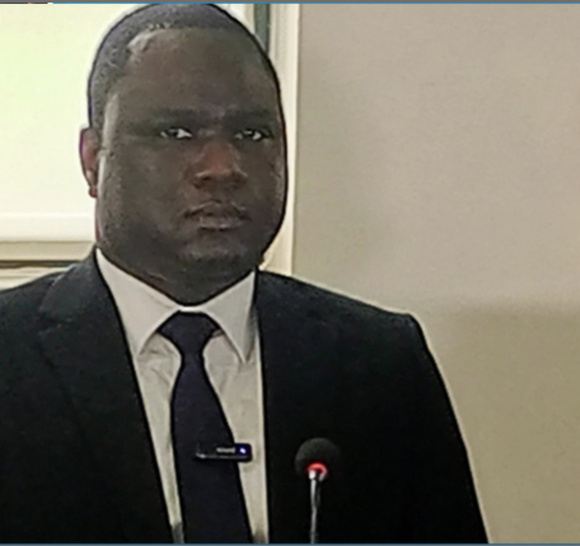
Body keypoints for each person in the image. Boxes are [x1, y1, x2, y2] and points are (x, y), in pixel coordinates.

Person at [0, 4, 487, 543]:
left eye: (253, 134)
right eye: (176, 132)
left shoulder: (380, 365)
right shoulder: (11, 355)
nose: (223, 167)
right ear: (93, 159)